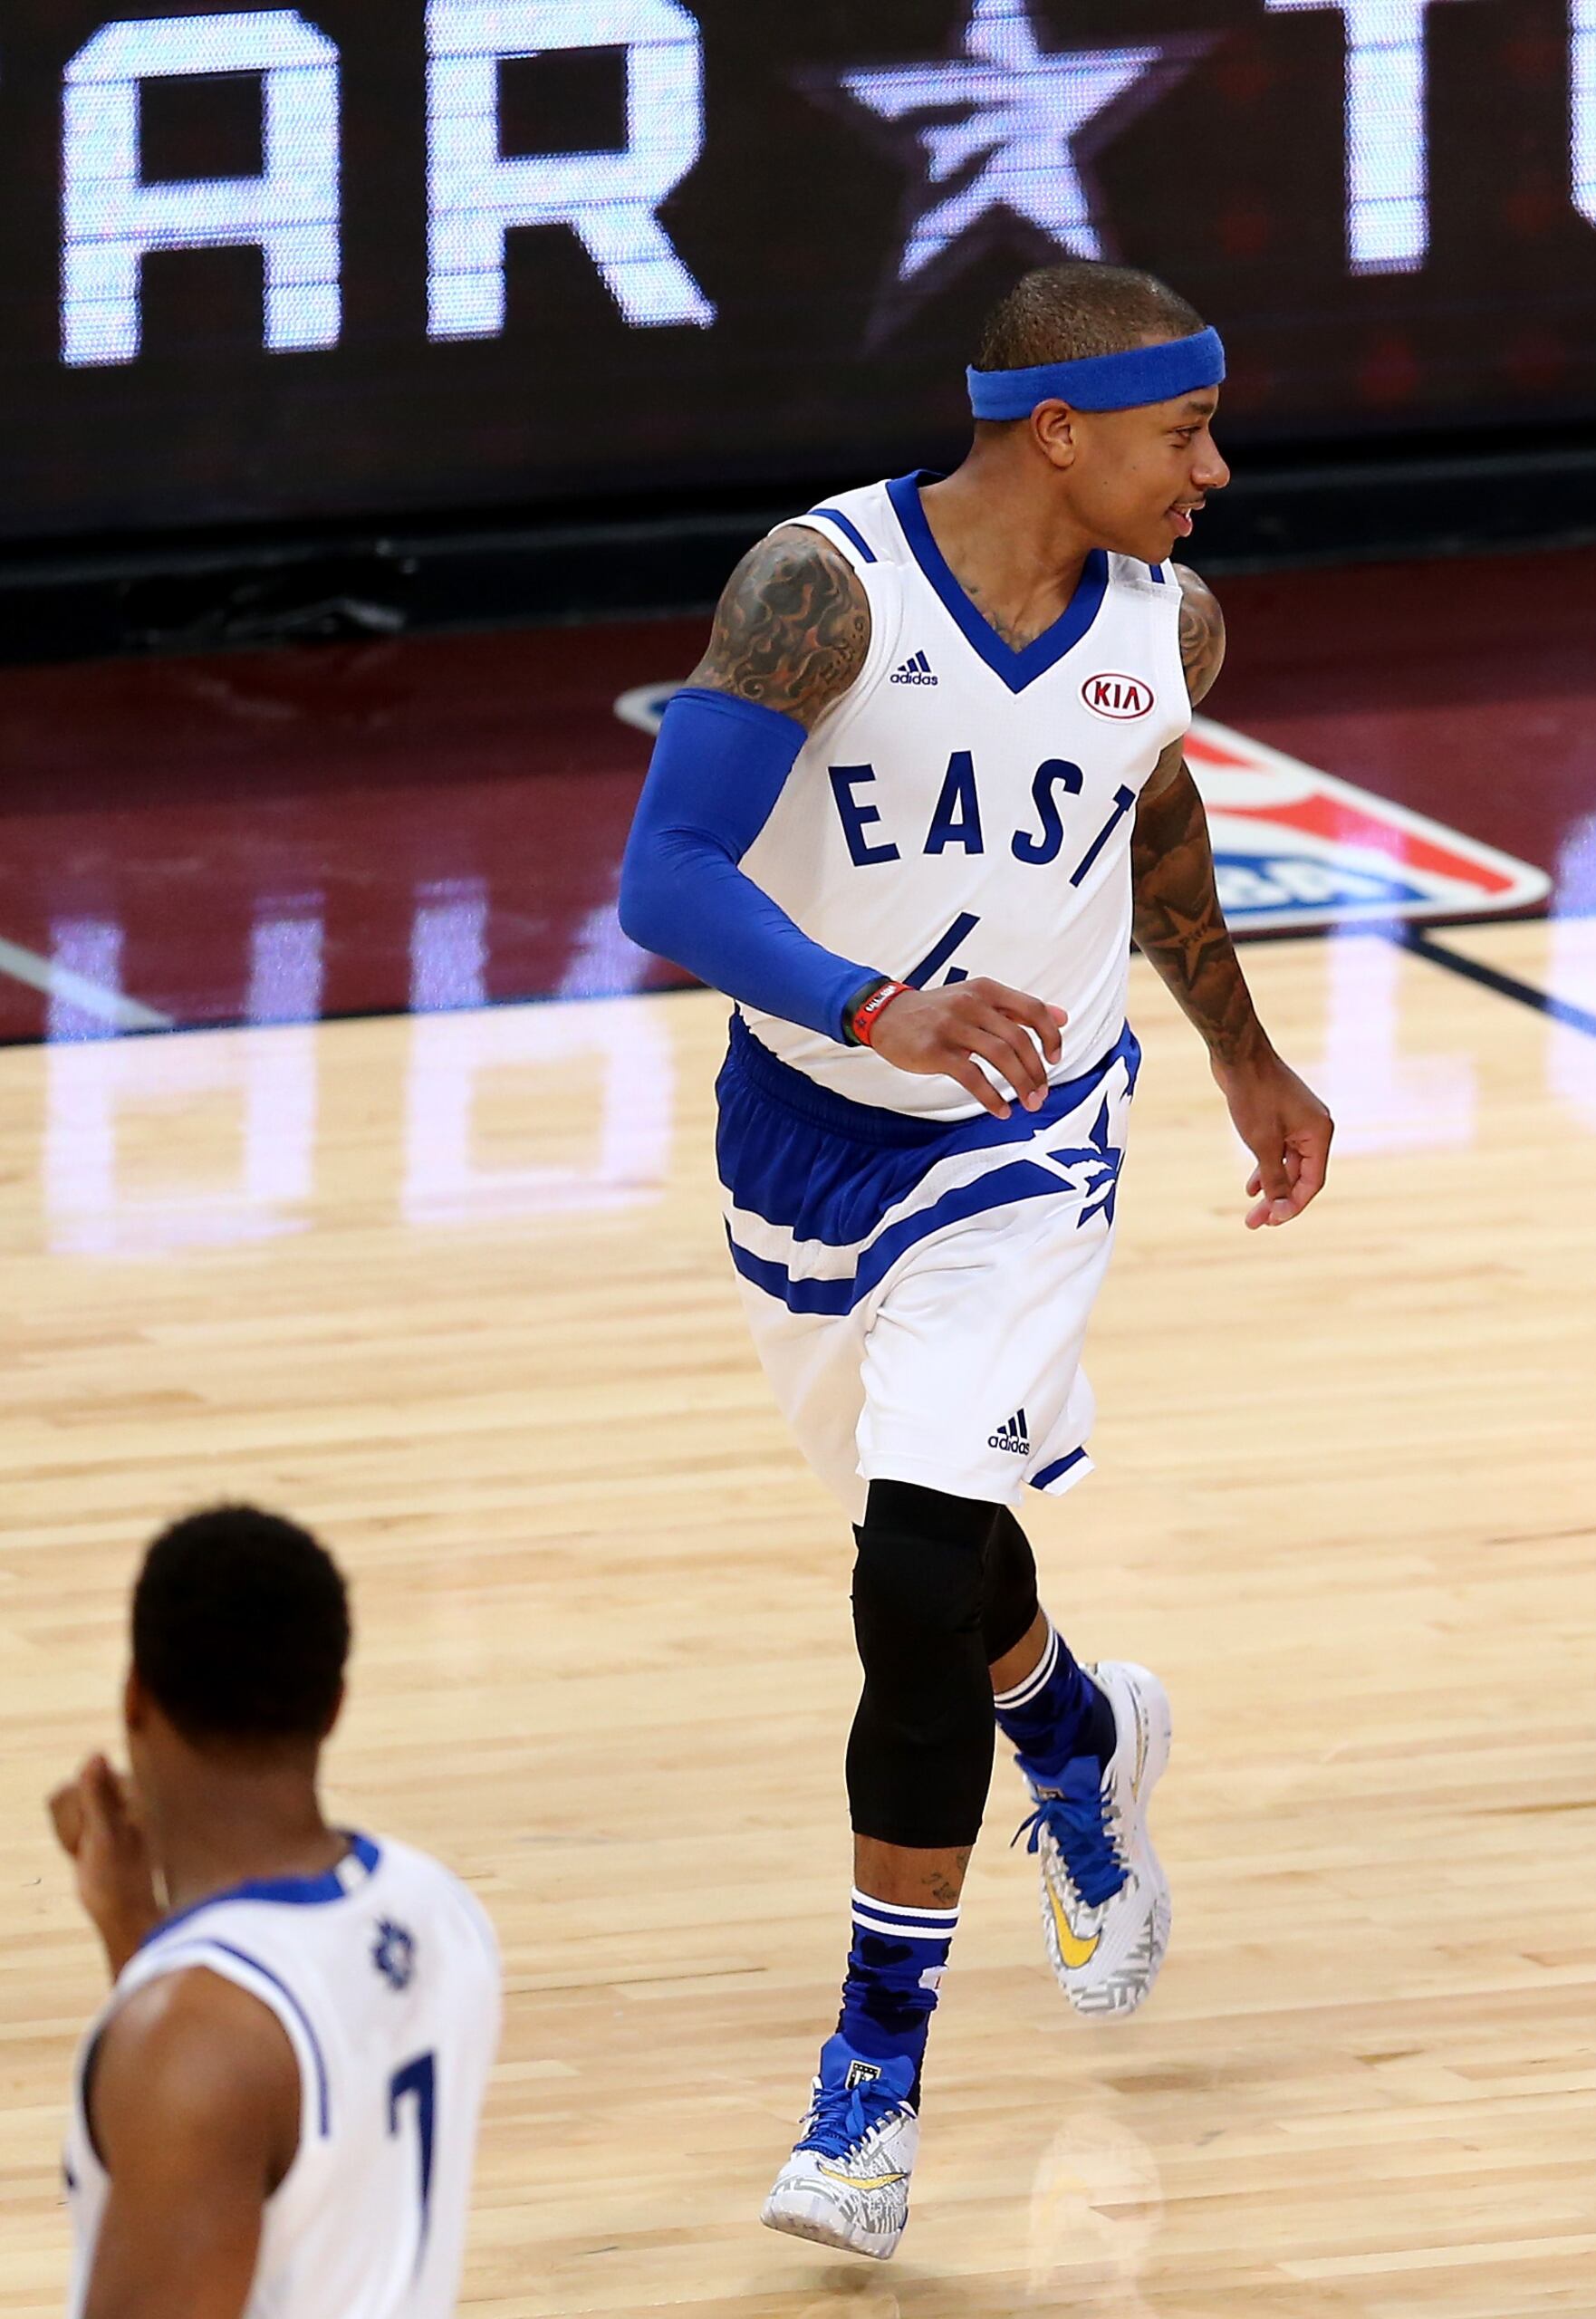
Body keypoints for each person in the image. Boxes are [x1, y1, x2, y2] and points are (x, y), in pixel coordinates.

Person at [612, 261, 1334, 2256]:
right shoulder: (821, 590)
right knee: (920, 1550)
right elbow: (665, 872)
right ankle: (1077, 1735)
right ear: (1059, 433)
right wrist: (872, 1005)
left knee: (913, 1576)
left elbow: (1151, 819)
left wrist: (1242, 1050)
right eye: (1185, 432)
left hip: (1027, 1142)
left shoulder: (1168, 623)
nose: (1215, 470)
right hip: (807, 1122)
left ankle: (869, 2088)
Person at [53, 1505, 502, 2319]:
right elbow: (295, 2151)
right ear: (334, 1704)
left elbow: (220, 2074)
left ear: (135, 1697)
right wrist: (134, 1930)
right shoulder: (440, 1913)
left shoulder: (194, 2045)